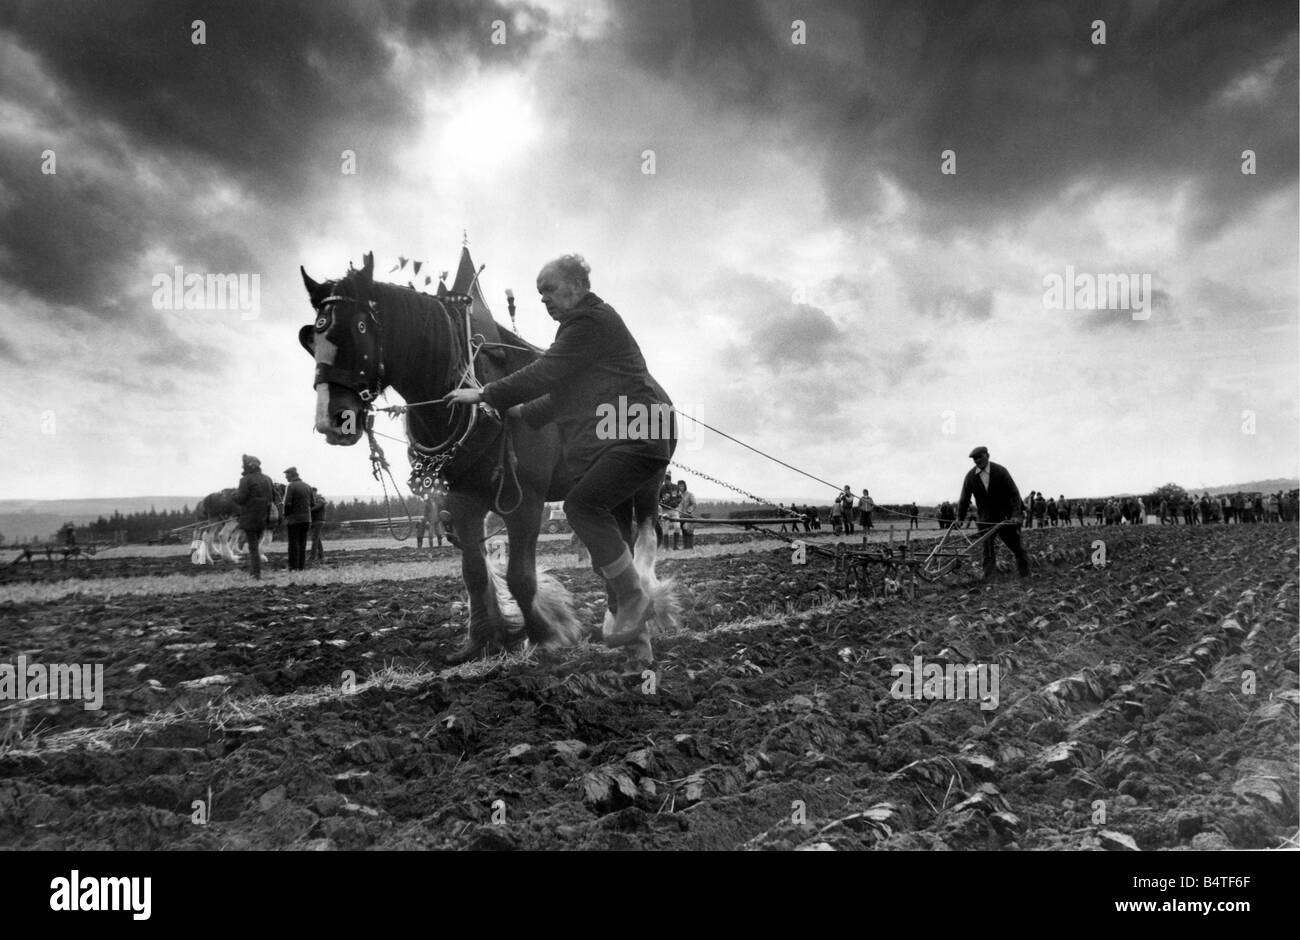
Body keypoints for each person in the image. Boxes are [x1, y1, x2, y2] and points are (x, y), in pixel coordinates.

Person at [442, 254, 674, 663]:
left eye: (549, 290)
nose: (544, 299)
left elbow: (545, 372)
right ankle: (638, 648)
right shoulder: (584, 334)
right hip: (621, 439)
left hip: (633, 435)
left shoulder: (589, 323)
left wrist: (485, 393)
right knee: (609, 529)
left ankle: (634, 598)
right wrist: (513, 412)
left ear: (578, 287)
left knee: (581, 506)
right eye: (539, 294)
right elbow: (555, 399)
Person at [956, 445, 1030, 580]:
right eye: (975, 458)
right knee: (988, 552)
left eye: (980, 456)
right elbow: (964, 499)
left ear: (987, 456)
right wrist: (960, 518)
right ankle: (989, 580)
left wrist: (1016, 515)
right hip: (985, 520)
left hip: (1005, 518)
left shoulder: (1000, 471)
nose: (978, 460)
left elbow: (1014, 494)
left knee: (1017, 547)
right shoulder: (970, 477)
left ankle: (1025, 576)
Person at [232, 454, 274, 579]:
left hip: (250, 518)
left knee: (253, 548)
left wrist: (233, 495)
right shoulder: (267, 479)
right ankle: (255, 572)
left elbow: (240, 499)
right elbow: (272, 497)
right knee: (256, 546)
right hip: (264, 518)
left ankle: (256, 574)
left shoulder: (245, 480)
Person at [283, 467, 313, 571]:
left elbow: (287, 503)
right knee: (302, 543)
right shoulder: (308, 486)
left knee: (293, 544)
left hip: (294, 520)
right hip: (307, 520)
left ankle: (293, 567)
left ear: (291, 475)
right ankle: (301, 567)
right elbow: (312, 503)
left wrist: (286, 515)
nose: (286, 477)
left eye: (286, 475)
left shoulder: (290, 486)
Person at [309, 487, 327, 564]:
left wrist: (307, 509)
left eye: (312, 492)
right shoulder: (313, 500)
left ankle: (312, 557)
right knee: (317, 539)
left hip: (318, 521)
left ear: (315, 492)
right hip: (315, 522)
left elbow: (317, 507)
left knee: (315, 539)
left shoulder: (320, 499)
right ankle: (322, 556)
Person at [677, 479, 696, 550]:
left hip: (688, 516)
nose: (681, 487)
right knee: (684, 531)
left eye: (682, 486)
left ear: (685, 486)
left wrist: (689, 510)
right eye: (679, 486)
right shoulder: (678, 496)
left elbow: (694, 504)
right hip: (681, 516)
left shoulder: (690, 494)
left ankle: (690, 547)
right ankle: (685, 547)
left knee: (689, 531)